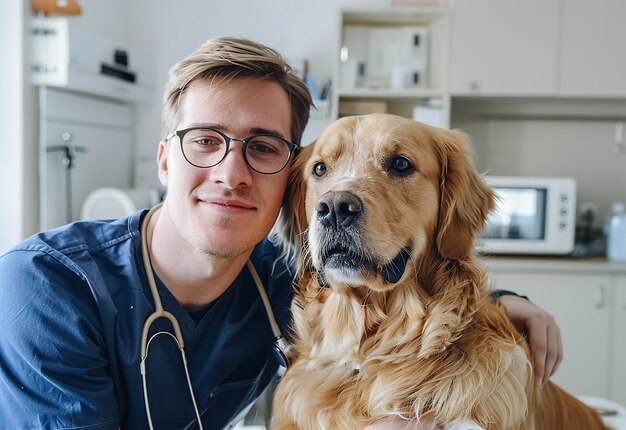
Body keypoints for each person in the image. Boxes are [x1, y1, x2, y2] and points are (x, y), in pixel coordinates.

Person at [0, 36, 562, 430]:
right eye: (204, 139)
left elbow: (424, 286)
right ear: (165, 160)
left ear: (285, 189)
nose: (231, 171)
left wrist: (505, 300)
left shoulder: (286, 282)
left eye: (263, 147)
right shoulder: (46, 285)